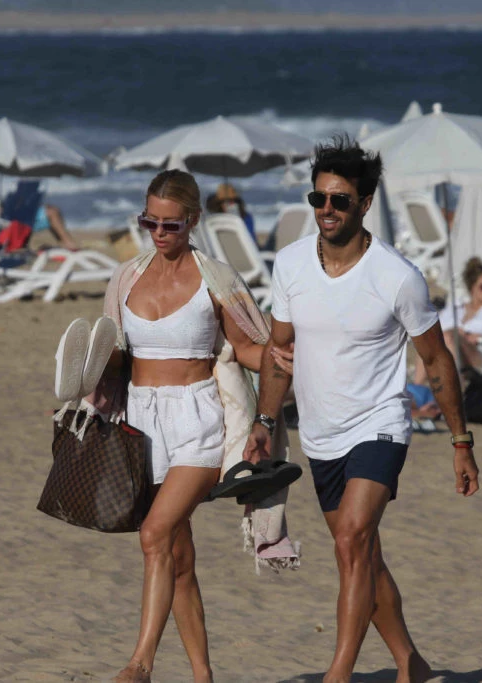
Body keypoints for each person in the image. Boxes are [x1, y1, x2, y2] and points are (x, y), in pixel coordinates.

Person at [245, 137, 479, 683]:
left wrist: (461, 442)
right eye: (318, 198)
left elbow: (437, 361)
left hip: (380, 424)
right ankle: (411, 664)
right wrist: (264, 422)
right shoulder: (291, 264)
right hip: (320, 433)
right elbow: (279, 353)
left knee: (352, 540)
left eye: (340, 200)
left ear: (365, 203)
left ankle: (339, 673)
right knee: (363, 557)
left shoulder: (396, 276)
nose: (326, 210)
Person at [88, 169, 294, 683]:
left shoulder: (216, 278)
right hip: (141, 424)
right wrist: (88, 377)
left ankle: (140, 664)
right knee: (176, 555)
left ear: (193, 220)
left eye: (171, 225)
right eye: (150, 223)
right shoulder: (126, 278)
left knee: (154, 534)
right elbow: (115, 355)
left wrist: (281, 358)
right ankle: (204, 675)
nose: (159, 234)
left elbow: (245, 346)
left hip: (198, 420)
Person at [0, 175, 79, 250]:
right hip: (14, 224)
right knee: (52, 212)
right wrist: (7, 206)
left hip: (15, 219)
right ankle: (68, 243)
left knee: (50, 209)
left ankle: (64, 242)